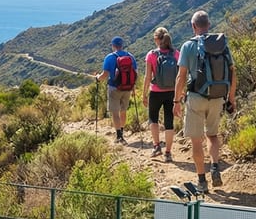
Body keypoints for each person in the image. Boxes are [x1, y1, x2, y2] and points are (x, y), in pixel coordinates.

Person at [174, 10, 236, 193]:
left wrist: (176, 101)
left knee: (196, 141)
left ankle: (202, 181)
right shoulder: (222, 44)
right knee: (212, 135)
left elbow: (181, 76)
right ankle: (215, 166)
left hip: (196, 97)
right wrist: (231, 98)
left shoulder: (188, 46)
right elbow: (233, 72)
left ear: (193, 26)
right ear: (208, 25)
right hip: (217, 97)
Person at [142, 27, 179, 162]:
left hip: (155, 92)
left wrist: (144, 94)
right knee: (169, 122)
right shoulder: (176, 54)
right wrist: (180, 94)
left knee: (153, 119)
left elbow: (147, 77)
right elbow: (180, 76)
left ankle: (157, 146)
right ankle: (168, 153)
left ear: (157, 39)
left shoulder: (151, 55)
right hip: (171, 92)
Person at [94, 36, 137, 144]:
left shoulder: (109, 57)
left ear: (113, 46)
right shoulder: (130, 57)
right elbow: (135, 73)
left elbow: (105, 75)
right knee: (123, 110)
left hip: (114, 88)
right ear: (122, 45)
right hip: (127, 88)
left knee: (115, 112)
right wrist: (133, 87)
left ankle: (119, 136)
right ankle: (121, 131)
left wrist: (98, 78)